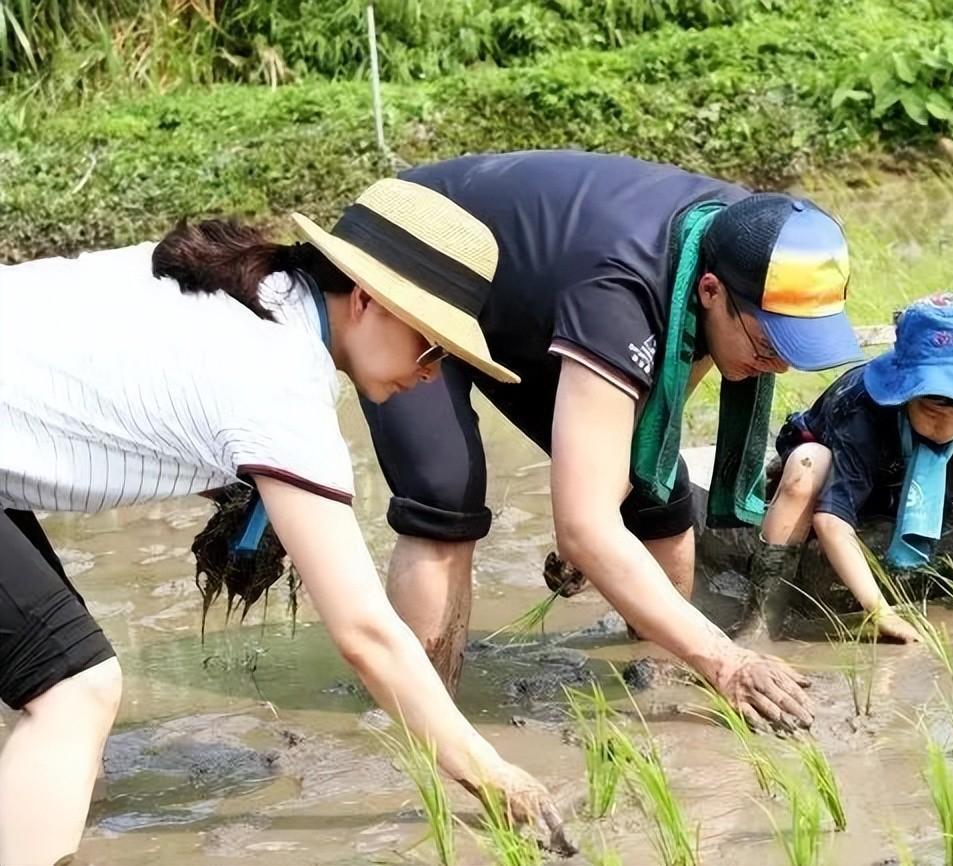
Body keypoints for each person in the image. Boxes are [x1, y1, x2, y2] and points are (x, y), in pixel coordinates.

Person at [0, 179, 567, 865]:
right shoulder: (281, 379)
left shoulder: (254, 291)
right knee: (73, 691)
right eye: (432, 347)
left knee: (61, 716)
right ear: (365, 299)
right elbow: (364, 633)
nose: (432, 373)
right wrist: (489, 772)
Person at [361, 150, 863, 730]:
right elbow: (585, 524)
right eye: (769, 344)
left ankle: (661, 689)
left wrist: (596, 522)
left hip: (532, 288)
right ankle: (421, 723)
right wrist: (726, 659)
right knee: (445, 491)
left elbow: (652, 424)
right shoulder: (622, 292)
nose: (775, 366)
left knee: (656, 491)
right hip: (413, 254)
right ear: (709, 292)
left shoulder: (749, 237)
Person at [752, 293, 953, 643]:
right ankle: (761, 619)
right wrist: (882, 613)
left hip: (906, 475)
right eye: (934, 413)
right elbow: (830, 520)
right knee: (807, 467)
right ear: (905, 392)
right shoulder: (860, 413)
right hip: (844, 471)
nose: (948, 428)